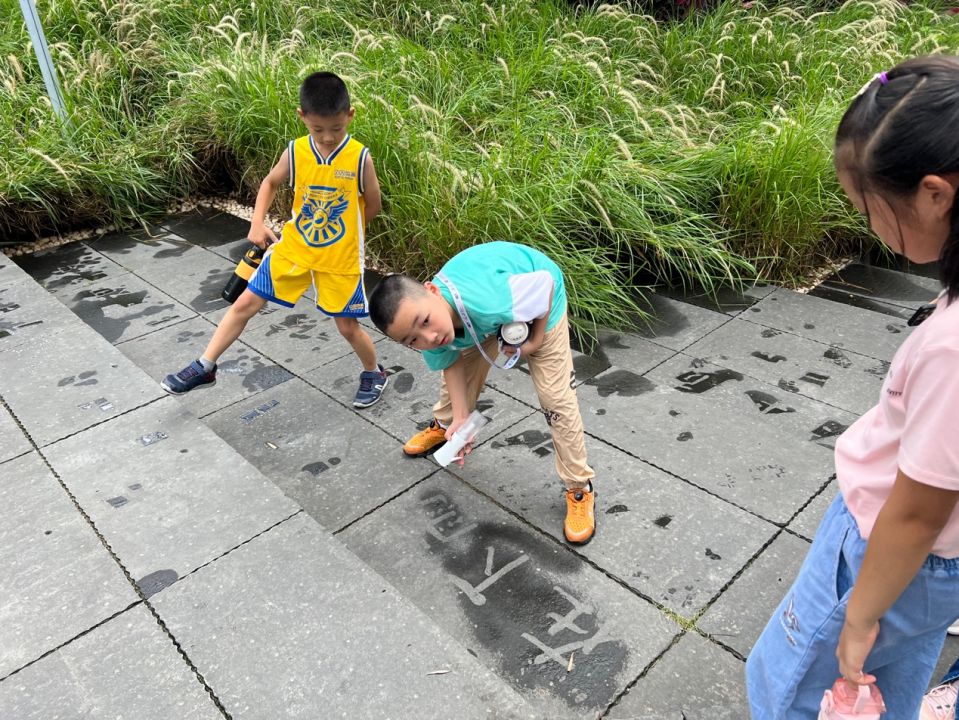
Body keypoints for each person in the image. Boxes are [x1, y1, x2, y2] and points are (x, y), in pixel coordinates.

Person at [746, 56, 959, 718]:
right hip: (943, 571)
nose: (866, 224)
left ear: (933, 193)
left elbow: (917, 510)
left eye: (864, 205)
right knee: (891, 683)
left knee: (791, 683)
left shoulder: (952, 351)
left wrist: (860, 617)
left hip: (893, 553)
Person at [161, 71, 388, 408]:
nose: (327, 138)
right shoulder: (296, 152)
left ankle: (374, 372)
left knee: (348, 327)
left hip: (338, 258)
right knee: (243, 304)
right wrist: (257, 222)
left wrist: (350, 235)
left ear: (350, 116)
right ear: (302, 119)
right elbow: (269, 183)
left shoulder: (359, 158)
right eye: (318, 130)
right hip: (294, 248)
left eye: (336, 129)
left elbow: (373, 204)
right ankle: (204, 366)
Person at [367, 241, 596, 544]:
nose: (430, 337)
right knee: (455, 383)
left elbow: (547, 284)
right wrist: (462, 421)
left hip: (537, 298)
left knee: (556, 400)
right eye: (412, 340)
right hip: (485, 321)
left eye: (425, 321)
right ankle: (446, 426)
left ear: (432, 291)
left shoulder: (489, 298)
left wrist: (535, 340)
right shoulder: (430, 331)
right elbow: (451, 363)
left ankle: (579, 486)